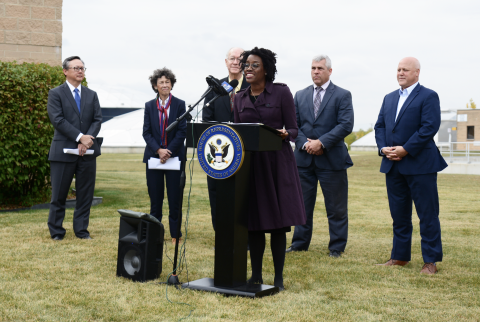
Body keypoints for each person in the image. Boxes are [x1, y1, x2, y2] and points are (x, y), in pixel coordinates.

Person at [234, 47, 306, 290]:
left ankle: (278, 278)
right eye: (246, 65)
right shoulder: (239, 98)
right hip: (250, 167)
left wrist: (287, 133)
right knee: (254, 223)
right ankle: (255, 276)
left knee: (277, 224)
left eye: (254, 65)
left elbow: (294, 129)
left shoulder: (282, 92)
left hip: (276, 164)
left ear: (266, 69)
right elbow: (236, 133)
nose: (249, 69)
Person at [374, 57, 447, 274]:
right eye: (398, 69)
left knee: (427, 214)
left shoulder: (428, 96)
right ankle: (399, 257)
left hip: (421, 165)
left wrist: (406, 148)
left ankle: (430, 261)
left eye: (405, 69)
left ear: (417, 73)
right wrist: (383, 148)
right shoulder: (388, 98)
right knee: (399, 215)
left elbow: (429, 127)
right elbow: (379, 126)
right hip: (393, 165)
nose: (400, 73)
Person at [287, 55, 354, 258]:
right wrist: (305, 143)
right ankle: (299, 244)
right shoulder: (299, 95)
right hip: (303, 160)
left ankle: (336, 247)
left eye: (320, 68)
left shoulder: (342, 95)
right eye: (313, 68)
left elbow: (345, 125)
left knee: (336, 208)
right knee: (302, 205)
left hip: (332, 160)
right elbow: (293, 125)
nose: (316, 71)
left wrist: (321, 143)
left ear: (329, 71)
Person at [47, 56, 102, 240]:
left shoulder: (91, 94)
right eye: (76, 68)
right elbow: (58, 120)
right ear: (65, 71)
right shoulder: (56, 93)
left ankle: (81, 231)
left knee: (85, 195)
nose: (80, 71)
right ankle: (56, 232)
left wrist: (86, 141)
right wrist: (80, 137)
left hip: (87, 153)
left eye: (82, 68)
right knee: (59, 195)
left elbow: (97, 120)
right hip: (63, 153)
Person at [202, 47, 249, 230]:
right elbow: (207, 119)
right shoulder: (215, 88)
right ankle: (221, 234)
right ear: (226, 62)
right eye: (232, 58)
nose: (236, 62)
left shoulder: (253, 86)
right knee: (218, 194)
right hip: (219, 153)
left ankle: (243, 236)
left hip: (245, 153)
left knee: (244, 194)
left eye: (240, 58)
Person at [143, 68, 186, 244]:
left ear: (172, 84)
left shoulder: (180, 104)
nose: (165, 85)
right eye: (161, 82)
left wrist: (168, 151)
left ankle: (175, 234)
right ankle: (155, 231)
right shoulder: (149, 106)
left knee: (175, 198)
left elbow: (182, 131)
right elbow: (146, 133)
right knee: (156, 197)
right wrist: (158, 150)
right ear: (155, 86)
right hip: (154, 158)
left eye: (167, 82)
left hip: (174, 158)